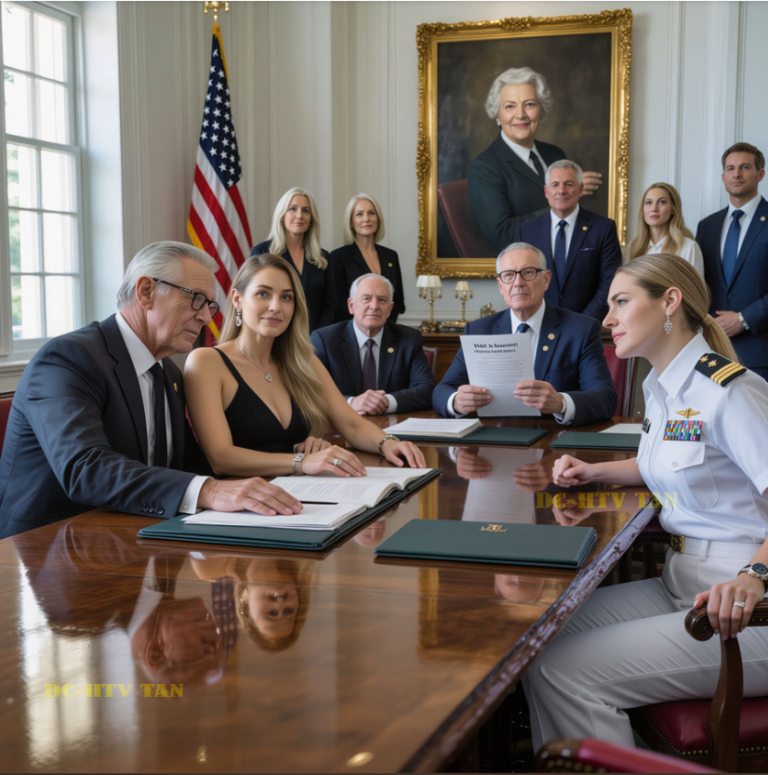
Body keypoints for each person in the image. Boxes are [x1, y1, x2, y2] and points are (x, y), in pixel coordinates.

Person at [523, 253, 768, 749]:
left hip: (742, 608)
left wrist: (754, 577)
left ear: (669, 303)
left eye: (621, 302)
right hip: (682, 582)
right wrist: (594, 471)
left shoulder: (729, 392)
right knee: (534, 638)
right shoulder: (664, 386)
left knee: (561, 671)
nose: (608, 319)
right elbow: (672, 462)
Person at [0, 241, 302, 540]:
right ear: (146, 292)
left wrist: (296, 459)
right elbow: (85, 468)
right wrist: (210, 490)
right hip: (44, 552)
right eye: (196, 299)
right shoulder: (68, 358)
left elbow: (187, 464)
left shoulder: (168, 372)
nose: (206, 318)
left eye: (209, 305)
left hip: (133, 540)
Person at [184, 253, 425, 478]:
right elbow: (220, 457)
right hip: (235, 505)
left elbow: (351, 424)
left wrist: (389, 443)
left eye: (286, 297)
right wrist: (300, 461)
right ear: (237, 299)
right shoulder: (206, 362)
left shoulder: (304, 361)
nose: (276, 306)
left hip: (302, 495)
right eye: (263, 294)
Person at [432, 242, 616, 425]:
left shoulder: (580, 330)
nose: (518, 283)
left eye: (528, 273)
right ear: (500, 286)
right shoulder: (479, 330)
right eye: (509, 276)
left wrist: (561, 403)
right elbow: (442, 391)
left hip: (555, 442)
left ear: (546, 279)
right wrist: (456, 401)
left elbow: (605, 399)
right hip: (491, 440)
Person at [467, 67, 602, 254]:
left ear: (541, 110)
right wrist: (561, 204)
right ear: (498, 116)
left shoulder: (555, 154)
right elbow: (502, 235)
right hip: (525, 271)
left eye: (529, 104)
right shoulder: (483, 168)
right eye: (510, 106)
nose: (520, 114)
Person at [311, 274, 435, 415]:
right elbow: (310, 391)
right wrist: (351, 403)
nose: (374, 306)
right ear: (351, 306)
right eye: (366, 299)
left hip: (392, 427)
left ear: (390, 309)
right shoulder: (324, 340)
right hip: (341, 427)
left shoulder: (409, 339)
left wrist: (385, 401)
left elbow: (427, 390)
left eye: (382, 300)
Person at [514, 160, 622, 321]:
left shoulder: (603, 228)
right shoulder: (526, 231)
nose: (561, 191)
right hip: (538, 323)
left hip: (588, 326)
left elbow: (610, 281)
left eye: (569, 184)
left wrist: (582, 323)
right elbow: (520, 280)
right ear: (546, 191)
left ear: (581, 189)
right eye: (555, 184)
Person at [696, 142, 768, 380]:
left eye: (745, 167)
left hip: (761, 353)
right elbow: (699, 285)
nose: (736, 174)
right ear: (723, 175)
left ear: (760, 174)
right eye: (730, 168)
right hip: (712, 351)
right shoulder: (707, 226)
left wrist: (744, 319)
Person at [251, 187, 335, 332]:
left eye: (305, 211)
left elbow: (331, 306)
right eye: (293, 209)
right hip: (274, 337)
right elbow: (254, 298)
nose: (299, 215)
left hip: (313, 342)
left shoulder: (323, 258)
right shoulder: (262, 252)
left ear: (311, 219)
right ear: (282, 215)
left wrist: (317, 338)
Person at [329, 194, 405, 323]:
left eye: (371, 213)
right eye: (359, 214)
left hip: (387, 331)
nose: (366, 219)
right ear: (351, 222)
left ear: (378, 219)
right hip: (352, 333)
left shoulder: (391, 256)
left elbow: (398, 301)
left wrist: (382, 327)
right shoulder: (338, 257)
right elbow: (339, 304)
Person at [626, 181, 704, 274]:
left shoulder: (689, 248)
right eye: (648, 202)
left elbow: (694, 288)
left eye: (662, 202)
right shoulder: (633, 248)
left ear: (673, 209)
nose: (654, 208)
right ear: (643, 209)